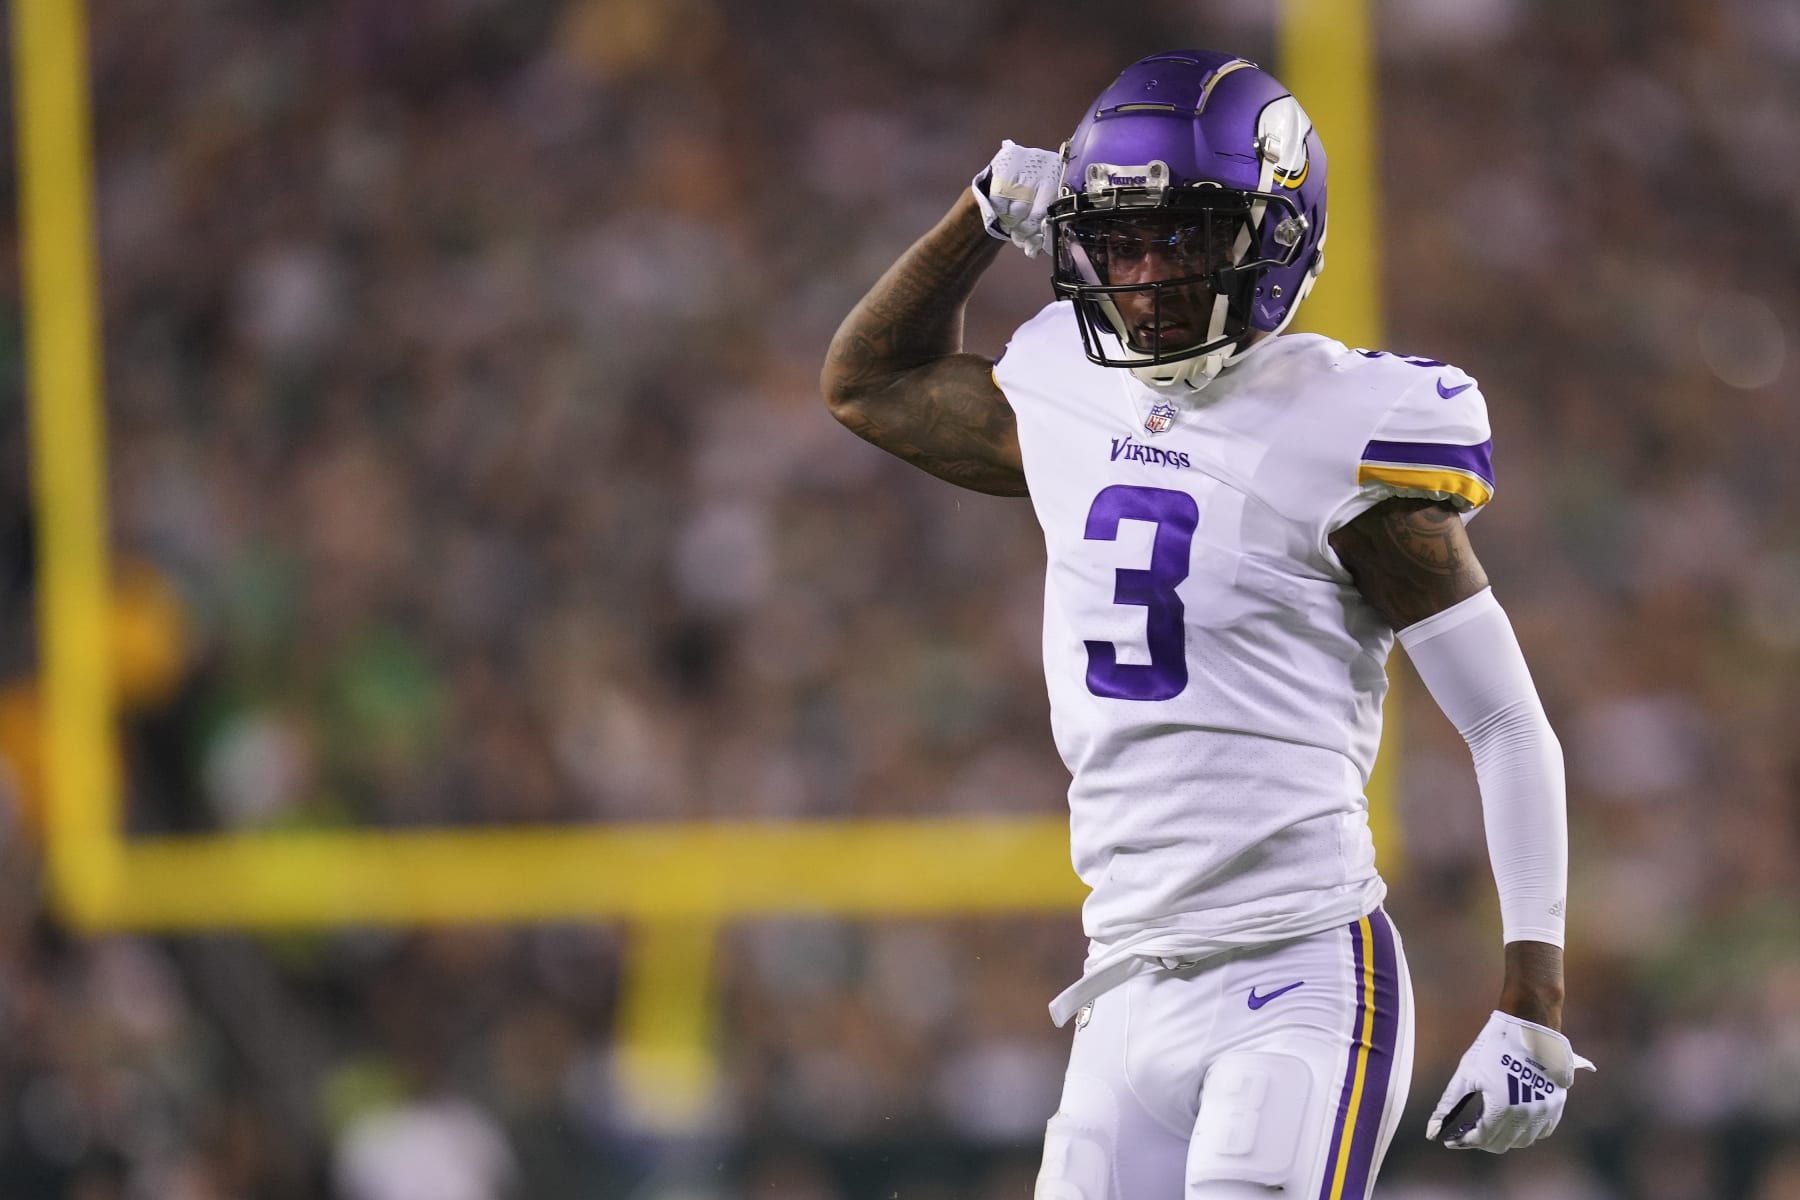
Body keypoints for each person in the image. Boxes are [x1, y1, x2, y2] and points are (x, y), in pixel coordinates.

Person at [820, 49, 1594, 1199]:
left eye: (1180, 240)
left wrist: (1532, 1003)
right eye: (1120, 242)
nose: (1143, 278)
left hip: (1299, 972)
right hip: (1123, 984)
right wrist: (977, 215)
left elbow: (1506, 724)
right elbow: (864, 382)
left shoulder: (1343, 428)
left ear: (1274, 235)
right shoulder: (1063, 387)